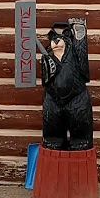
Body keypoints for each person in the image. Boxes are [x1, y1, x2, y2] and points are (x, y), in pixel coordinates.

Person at [38, 21, 92, 150]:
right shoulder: (48, 57)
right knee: (52, 122)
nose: (56, 42)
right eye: (54, 39)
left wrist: (79, 33)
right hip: (53, 99)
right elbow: (45, 80)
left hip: (76, 97)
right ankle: (53, 139)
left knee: (80, 120)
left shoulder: (74, 54)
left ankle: (81, 139)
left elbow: (82, 54)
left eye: (60, 38)